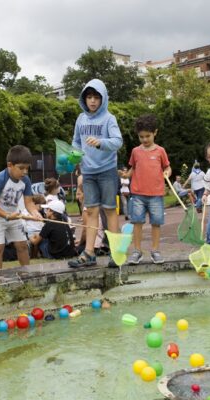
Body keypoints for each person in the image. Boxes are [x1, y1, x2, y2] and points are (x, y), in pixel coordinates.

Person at [68, 79, 123, 268]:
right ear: (84, 99)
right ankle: (89, 253)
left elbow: (117, 141)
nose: (92, 101)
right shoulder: (80, 119)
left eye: (96, 97)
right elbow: (76, 141)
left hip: (107, 171)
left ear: (103, 99)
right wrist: (74, 155)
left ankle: (116, 253)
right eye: (89, 97)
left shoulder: (109, 119)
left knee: (109, 211)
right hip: (88, 172)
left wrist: (100, 142)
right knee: (91, 211)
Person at [123, 114, 171, 264]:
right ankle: (137, 251)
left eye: (147, 136)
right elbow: (133, 168)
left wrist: (167, 173)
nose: (144, 139)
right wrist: (126, 175)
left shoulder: (160, 151)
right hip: (137, 194)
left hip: (156, 194)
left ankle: (155, 251)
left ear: (155, 132)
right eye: (141, 136)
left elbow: (167, 167)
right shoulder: (135, 151)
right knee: (137, 222)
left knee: (156, 223)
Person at [0, 145, 42, 270]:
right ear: (10, 165)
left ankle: (27, 273)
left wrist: (34, 212)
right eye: (21, 168)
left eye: (27, 168)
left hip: (14, 215)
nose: (25, 172)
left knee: (22, 245)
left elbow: (28, 203)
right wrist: (6, 216)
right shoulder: (0, 179)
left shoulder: (26, 180)